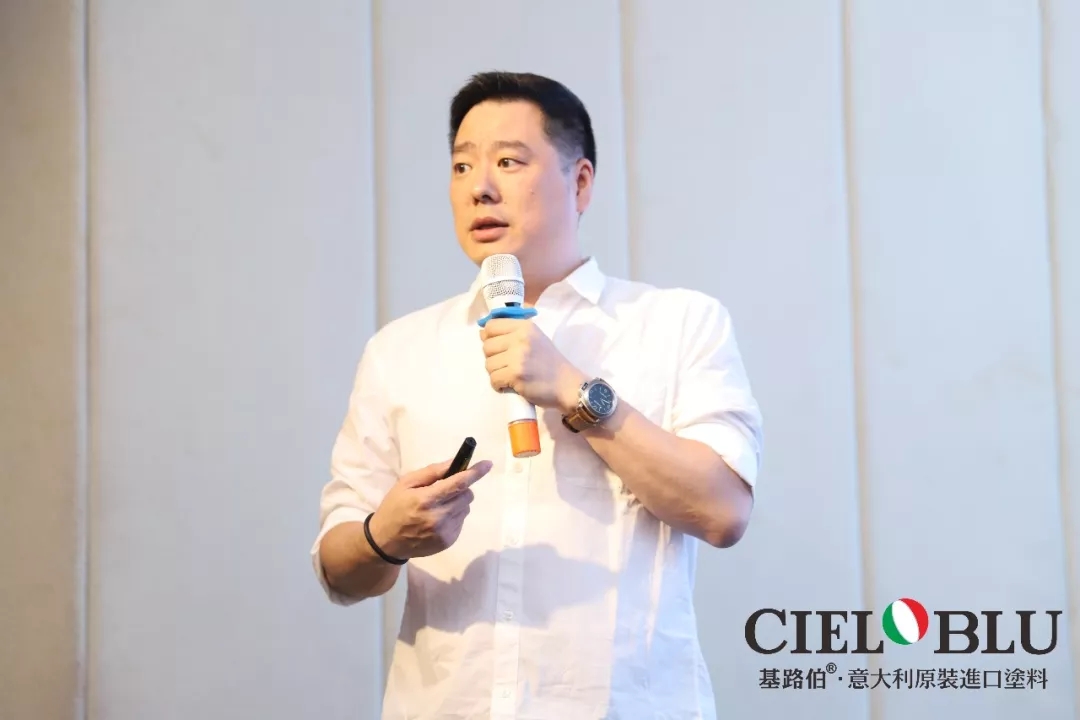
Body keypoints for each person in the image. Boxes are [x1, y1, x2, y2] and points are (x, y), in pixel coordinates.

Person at [311, 70, 764, 720]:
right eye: (462, 166)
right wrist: (386, 536)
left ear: (580, 183)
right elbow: (338, 571)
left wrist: (574, 390)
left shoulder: (678, 323)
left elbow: (723, 511)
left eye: (508, 161)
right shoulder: (398, 351)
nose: (480, 187)